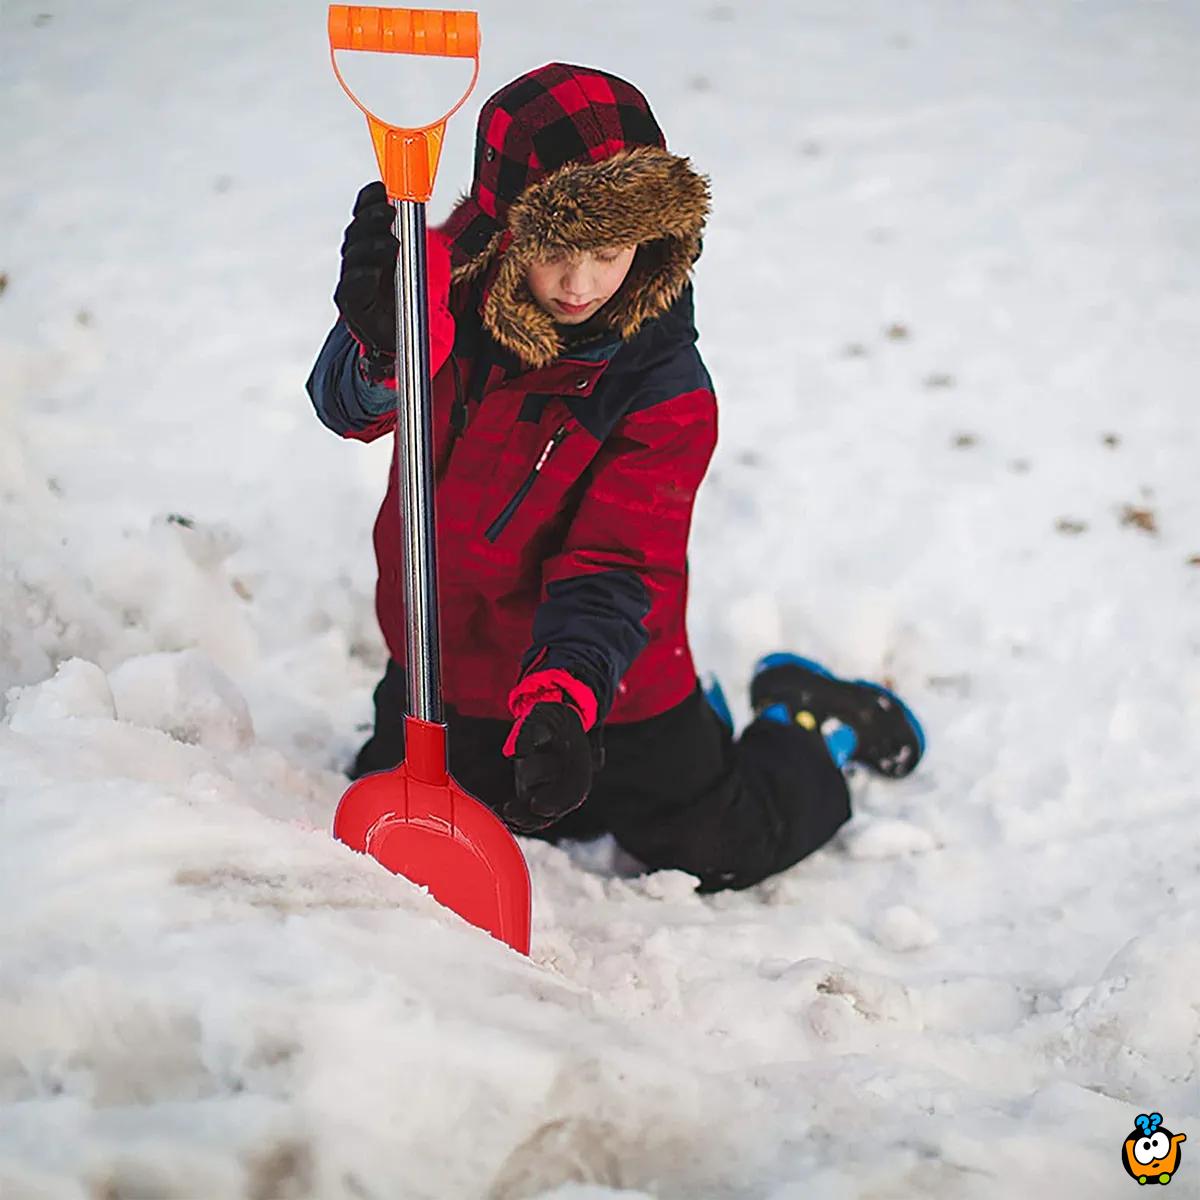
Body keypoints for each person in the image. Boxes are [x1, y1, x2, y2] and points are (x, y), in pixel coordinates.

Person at [307, 63, 925, 892]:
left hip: (604, 676)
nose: (581, 283)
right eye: (557, 250)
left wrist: (564, 695)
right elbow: (350, 410)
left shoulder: (662, 384)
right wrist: (382, 346)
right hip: (440, 666)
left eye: (609, 251)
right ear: (506, 227)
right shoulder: (432, 289)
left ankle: (812, 723)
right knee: (392, 818)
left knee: (715, 844)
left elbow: (618, 563)